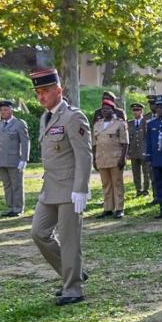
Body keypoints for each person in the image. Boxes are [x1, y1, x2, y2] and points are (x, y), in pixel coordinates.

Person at [28, 68, 92, 306]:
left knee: (69, 240)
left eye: (45, 91)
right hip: (49, 189)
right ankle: (73, 272)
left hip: (69, 190)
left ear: (59, 90)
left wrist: (81, 188)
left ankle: (73, 289)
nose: (41, 97)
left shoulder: (73, 117)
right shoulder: (45, 117)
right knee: (39, 233)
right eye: (38, 92)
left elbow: (84, 155)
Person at [92, 99, 129, 219]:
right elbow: (94, 144)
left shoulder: (119, 123)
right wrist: (94, 159)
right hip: (101, 158)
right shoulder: (97, 124)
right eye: (103, 110)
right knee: (106, 184)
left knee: (117, 183)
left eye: (108, 109)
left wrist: (123, 158)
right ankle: (108, 208)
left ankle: (119, 208)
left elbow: (125, 142)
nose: (105, 111)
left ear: (113, 110)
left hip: (115, 158)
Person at [0, 100, 30, 217]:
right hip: (1, 160)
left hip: (14, 161)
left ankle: (18, 209)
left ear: (11, 110)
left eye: (5, 109)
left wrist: (24, 160)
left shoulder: (19, 124)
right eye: (1, 110)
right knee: (7, 185)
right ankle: (11, 208)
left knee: (16, 185)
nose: (2, 112)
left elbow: (25, 142)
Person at [128, 103, 151, 197]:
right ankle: (138, 190)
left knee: (146, 172)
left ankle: (146, 190)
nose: (136, 112)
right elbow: (129, 139)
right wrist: (128, 151)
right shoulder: (130, 123)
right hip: (134, 151)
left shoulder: (146, 122)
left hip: (144, 150)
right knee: (135, 172)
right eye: (134, 110)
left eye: (138, 110)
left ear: (142, 111)